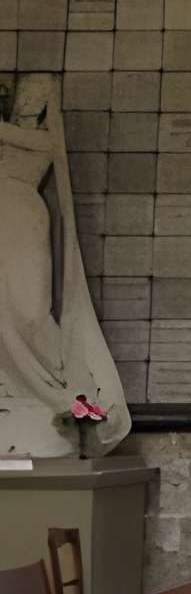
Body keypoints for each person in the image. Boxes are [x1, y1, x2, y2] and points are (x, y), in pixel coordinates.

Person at [0, 75, 130, 459]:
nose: (28, 103)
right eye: (25, 96)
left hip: (24, 218)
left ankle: (52, 379)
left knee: (30, 309)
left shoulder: (42, 139)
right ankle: (11, 384)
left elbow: (34, 145)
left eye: (37, 98)